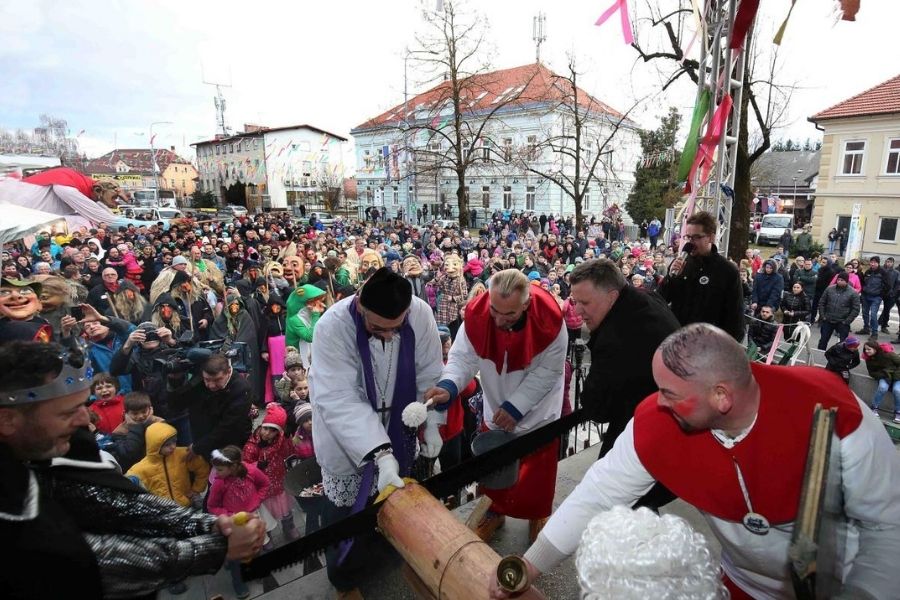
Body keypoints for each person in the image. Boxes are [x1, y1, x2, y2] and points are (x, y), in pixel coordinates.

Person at [489, 324, 900, 600]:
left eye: (669, 392)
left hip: (842, 587)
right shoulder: (659, 419)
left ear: (721, 396)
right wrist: (527, 566)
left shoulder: (836, 411)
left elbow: (887, 527)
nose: (657, 404)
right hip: (739, 585)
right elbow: (595, 496)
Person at [0, 341, 266, 599]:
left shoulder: (62, 444)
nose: (85, 419)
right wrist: (216, 547)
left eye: (83, 405)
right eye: (67, 413)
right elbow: (88, 562)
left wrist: (212, 525)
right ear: (7, 420)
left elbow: (121, 504)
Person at [308, 267, 443, 596]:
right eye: (377, 328)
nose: (386, 336)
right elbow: (339, 397)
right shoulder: (332, 325)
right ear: (360, 304)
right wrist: (380, 455)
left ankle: (385, 563)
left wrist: (433, 424)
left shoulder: (420, 314)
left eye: (394, 329)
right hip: (347, 438)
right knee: (345, 515)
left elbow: (429, 375)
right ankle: (345, 578)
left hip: (400, 429)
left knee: (391, 508)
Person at [427, 269, 567, 544]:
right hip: (495, 398)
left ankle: (537, 513)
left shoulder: (550, 320)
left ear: (525, 305)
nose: (500, 321)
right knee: (494, 466)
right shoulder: (478, 315)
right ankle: (494, 509)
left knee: (537, 470)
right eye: (495, 311)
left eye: (510, 315)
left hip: (537, 408)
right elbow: (462, 358)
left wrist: (517, 407)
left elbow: (548, 372)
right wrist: (448, 386)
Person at [657, 211, 744, 341]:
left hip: (708, 344)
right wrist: (671, 278)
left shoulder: (727, 270)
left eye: (696, 237)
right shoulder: (680, 263)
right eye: (688, 237)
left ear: (711, 237)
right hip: (677, 339)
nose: (691, 242)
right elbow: (661, 298)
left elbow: (735, 318)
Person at [163, 353, 255, 461]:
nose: (211, 385)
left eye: (217, 380)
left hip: (228, 447)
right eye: (207, 379)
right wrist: (175, 381)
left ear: (229, 371)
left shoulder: (241, 389)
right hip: (202, 440)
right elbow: (176, 405)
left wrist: (198, 447)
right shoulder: (200, 381)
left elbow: (228, 427)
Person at [208, 445, 271, 600]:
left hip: (252, 517)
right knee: (236, 554)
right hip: (233, 523)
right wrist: (228, 515)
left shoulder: (251, 471)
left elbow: (265, 483)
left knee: (256, 546)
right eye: (216, 469)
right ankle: (238, 581)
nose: (216, 472)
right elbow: (212, 506)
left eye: (220, 469)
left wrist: (258, 499)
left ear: (234, 466)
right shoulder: (218, 483)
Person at [126, 421, 210, 508]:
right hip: (162, 511)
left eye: (174, 442)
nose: (173, 446)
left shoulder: (182, 455)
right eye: (167, 445)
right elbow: (128, 481)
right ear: (155, 446)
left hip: (186, 505)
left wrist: (197, 489)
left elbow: (202, 467)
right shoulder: (143, 467)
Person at [817, 271, 861, 350]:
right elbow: (822, 302)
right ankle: (819, 353)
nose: (839, 281)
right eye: (838, 279)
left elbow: (856, 309)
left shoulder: (853, 293)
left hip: (842, 322)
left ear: (846, 281)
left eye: (842, 280)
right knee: (823, 340)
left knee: (843, 343)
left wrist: (847, 321)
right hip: (828, 319)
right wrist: (823, 316)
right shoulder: (829, 289)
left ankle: (840, 359)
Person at [861, 339, 900, 422]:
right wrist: (883, 374)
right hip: (884, 376)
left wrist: (896, 376)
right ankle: (874, 407)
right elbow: (871, 373)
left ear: (875, 349)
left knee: (897, 390)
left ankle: (898, 412)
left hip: (897, 376)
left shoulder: (889, 355)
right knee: (882, 387)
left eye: (869, 349)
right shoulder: (869, 359)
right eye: (865, 349)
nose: (866, 351)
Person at [857, 255, 889, 338]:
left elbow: (887, 286)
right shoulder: (868, 272)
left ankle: (874, 333)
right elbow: (863, 283)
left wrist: (881, 294)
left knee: (873, 314)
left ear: (878, 263)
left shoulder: (883, 272)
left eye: (874, 262)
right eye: (871, 262)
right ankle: (866, 328)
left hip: (876, 297)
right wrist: (863, 292)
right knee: (864, 313)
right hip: (865, 295)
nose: (872, 264)